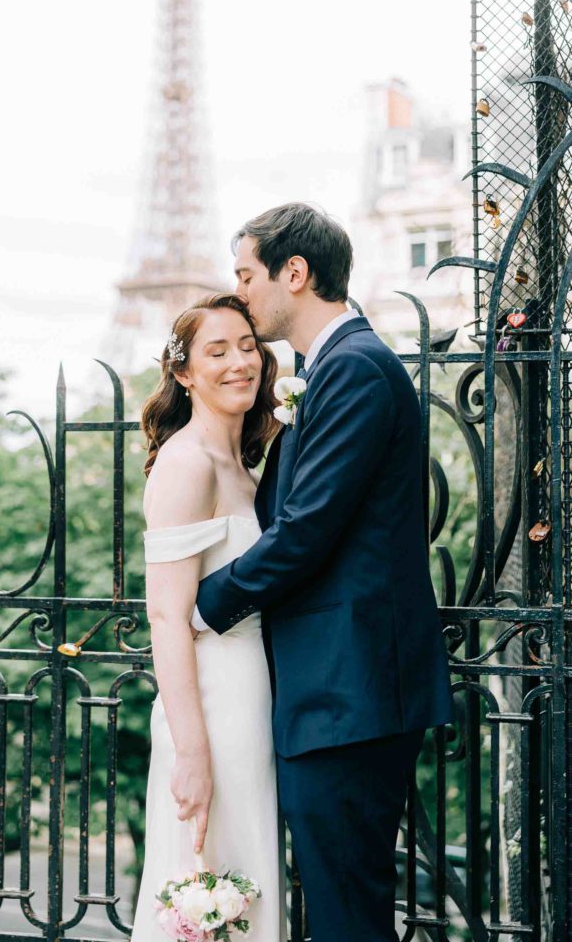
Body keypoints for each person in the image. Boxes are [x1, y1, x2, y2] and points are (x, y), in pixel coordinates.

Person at [190, 203, 454, 942]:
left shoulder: (356, 370)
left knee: (346, 914)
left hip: (350, 689)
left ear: (294, 273)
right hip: (331, 689)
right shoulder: (330, 369)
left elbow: (305, 532)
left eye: (245, 274)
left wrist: (199, 607)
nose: (238, 291)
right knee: (337, 904)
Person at [130, 293, 287, 942]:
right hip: (210, 712)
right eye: (216, 351)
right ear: (184, 374)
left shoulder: (241, 466)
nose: (238, 362)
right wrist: (191, 751)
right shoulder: (187, 463)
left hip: (249, 704)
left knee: (244, 876)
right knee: (205, 884)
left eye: (247, 346)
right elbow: (166, 618)